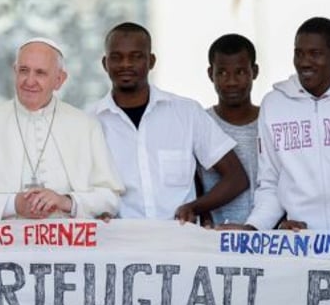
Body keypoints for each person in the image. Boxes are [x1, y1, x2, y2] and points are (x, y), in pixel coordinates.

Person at [224, 16, 330, 232]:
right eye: (299, 54)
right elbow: (270, 182)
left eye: (315, 54)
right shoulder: (274, 104)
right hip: (301, 239)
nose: (305, 62)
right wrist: (254, 227)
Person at [0, 37, 123, 220]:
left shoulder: (86, 127)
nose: (30, 81)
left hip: (67, 247)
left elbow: (110, 198)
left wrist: (65, 201)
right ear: (15, 72)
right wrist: (12, 205)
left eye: (40, 73)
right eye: (24, 71)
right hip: (4, 247)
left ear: (59, 80)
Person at [89, 22, 248, 222]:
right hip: (119, 245)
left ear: (151, 61)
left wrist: (195, 207)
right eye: (117, 57)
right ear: (105, 63)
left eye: (136, 57)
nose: (126, 64)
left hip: (181, 245)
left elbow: (236, 178)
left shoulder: (186, 112)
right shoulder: (89, 122)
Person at [198, 33, 260, 225]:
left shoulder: (271, 121)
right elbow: (192, 181)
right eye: (222, 73)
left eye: (240, 72)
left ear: (254, 71)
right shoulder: (200, 123)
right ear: (210, 74)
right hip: (216, 241)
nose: (231, 81)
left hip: (268, 239)